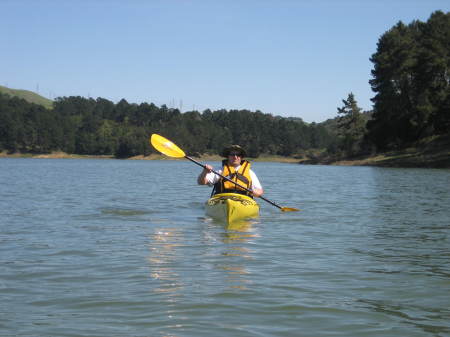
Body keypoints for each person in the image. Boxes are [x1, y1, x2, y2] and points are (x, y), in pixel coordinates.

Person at [197, 145, 264, 198]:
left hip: (243, 201)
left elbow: (260, 190)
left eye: (238, 155)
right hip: (222, 199)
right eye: (232, 154)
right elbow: (201, 182)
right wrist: (204, 172)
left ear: (241, 157)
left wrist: (255, 192)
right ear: (228, 156)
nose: (235, 157)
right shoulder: (219, 170)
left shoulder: (250, 173)